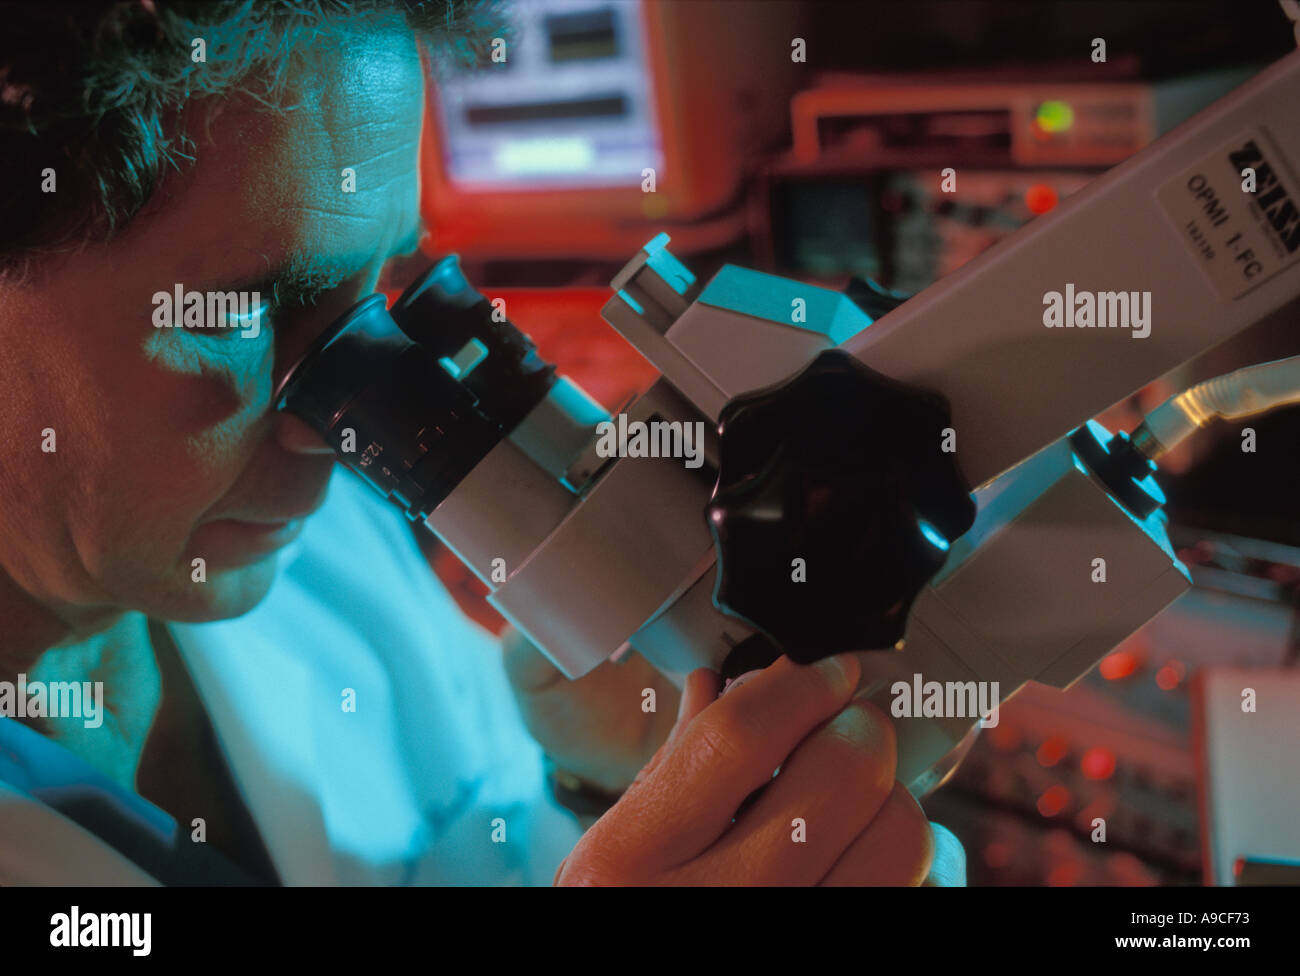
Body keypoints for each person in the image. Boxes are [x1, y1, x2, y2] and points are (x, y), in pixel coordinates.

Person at [0, 0, 962, 885]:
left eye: (374, 296)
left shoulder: (321, 559)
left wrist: (615, 782)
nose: (334, 433)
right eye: (245, 313)